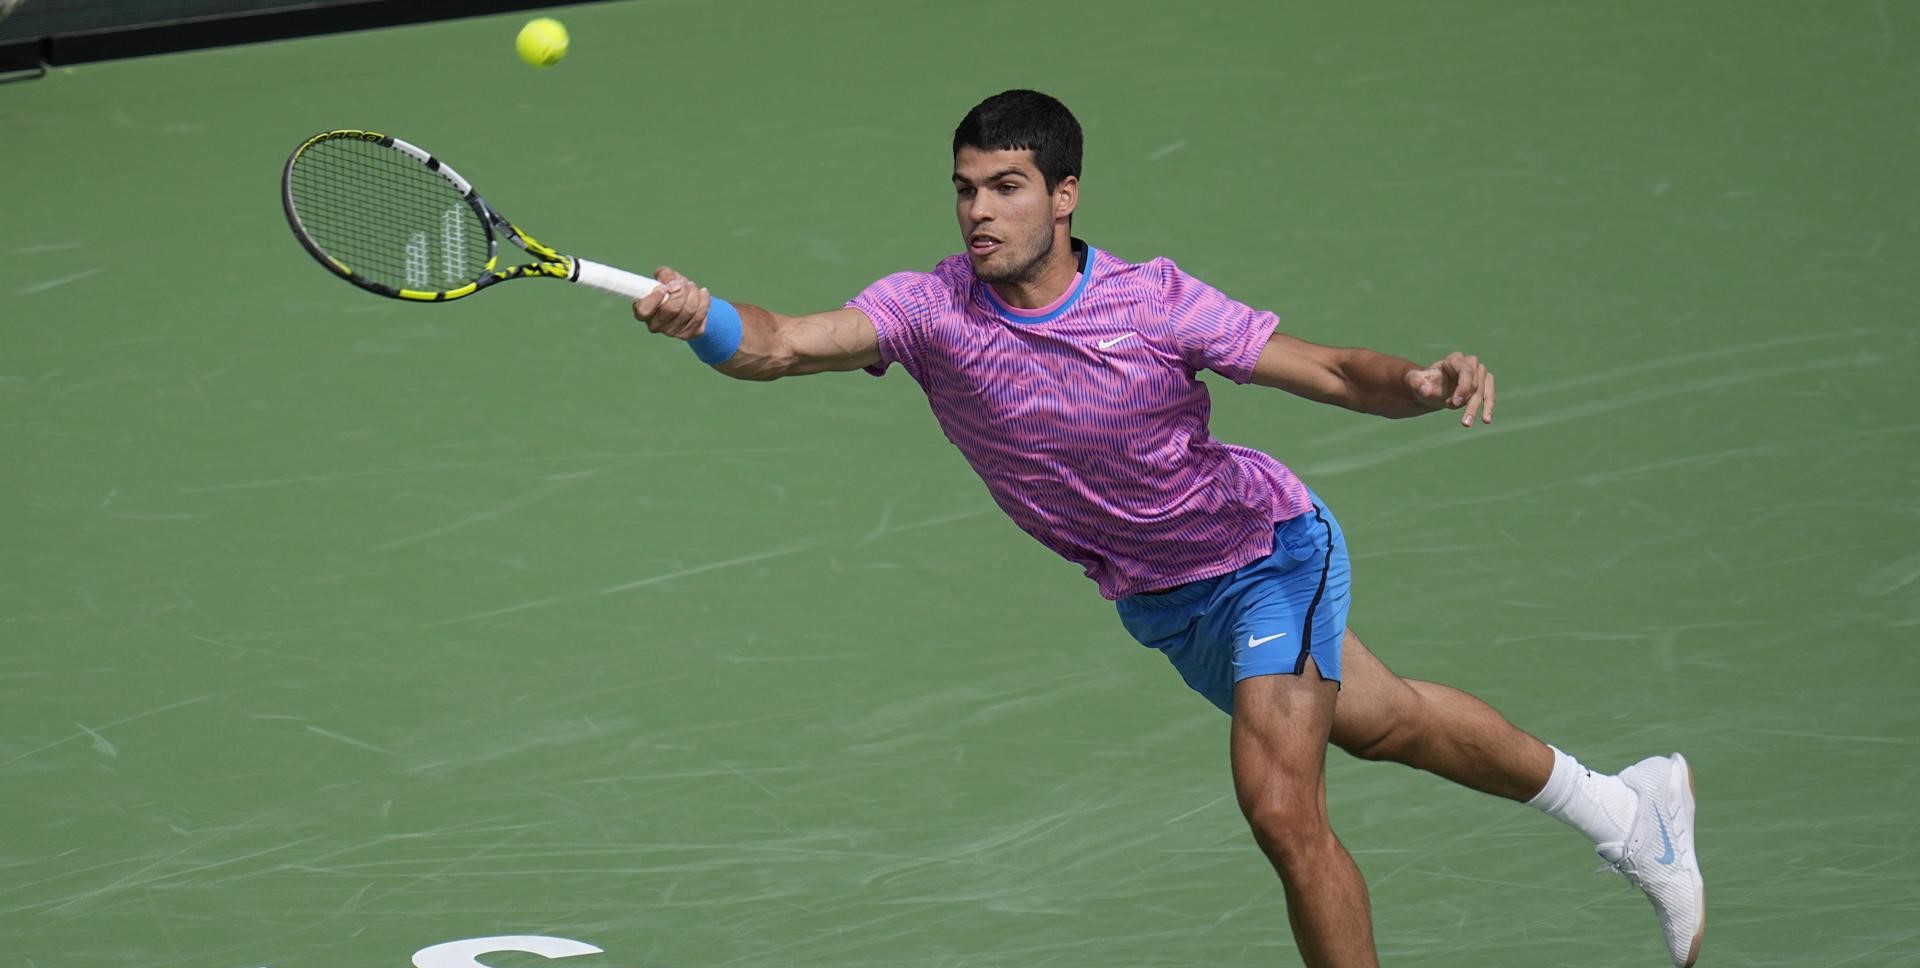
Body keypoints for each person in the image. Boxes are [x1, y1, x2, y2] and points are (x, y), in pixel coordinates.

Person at [630, 89, 1704, 968]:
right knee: (1388, 723)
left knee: (1282, 804)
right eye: (965, 190)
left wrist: (1420, 380)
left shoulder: (1152, 305)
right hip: (1163, 599)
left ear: (1064, 193)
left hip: (1267, 551)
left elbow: (1329, 369)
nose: (979, 212)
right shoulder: (928, 309)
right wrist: (701, 318)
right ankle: (1624, 807)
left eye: (1006, 188)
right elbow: (777, 343)